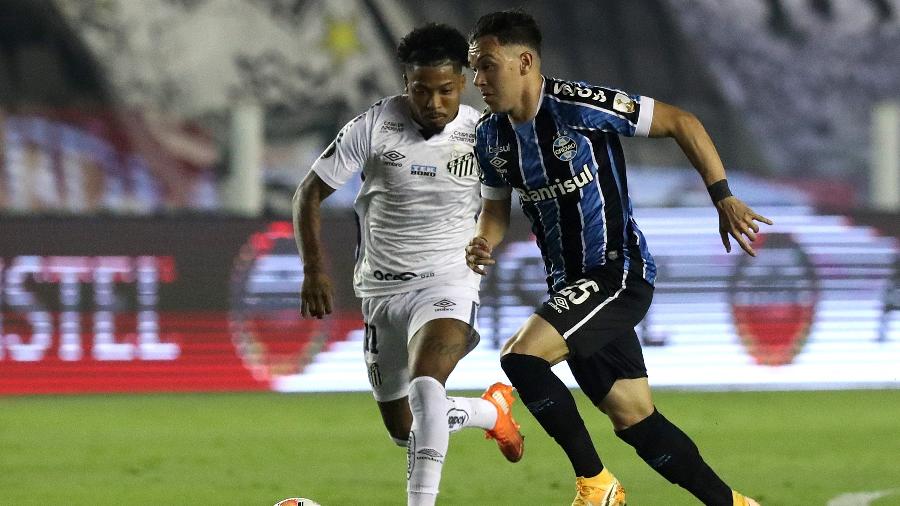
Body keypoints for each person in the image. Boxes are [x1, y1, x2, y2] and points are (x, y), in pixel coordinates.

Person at [465, 10, 769, 506]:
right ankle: (731, 503)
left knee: (520, 357)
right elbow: (495, 210)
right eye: (474, 69)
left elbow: (681, 121)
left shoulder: (578, 104)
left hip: (616, 271)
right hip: (570, 287)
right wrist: (485, 239)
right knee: (635, 418)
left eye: (486, 66)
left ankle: (596, 484)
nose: (477, 80)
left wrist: (723, 196)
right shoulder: (490, 137)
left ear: (524, 61)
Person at [293, 23, 524, 506]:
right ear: (406, 84)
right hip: (380, 292)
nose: (434, 102)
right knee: (407, 430)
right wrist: (314, 268)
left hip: (448, 282)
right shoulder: (373, 126)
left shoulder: (484, 132)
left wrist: (484, 239)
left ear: (462, 82)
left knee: (426, 387)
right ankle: (488, 412)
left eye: (444, 90)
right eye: (421, 90)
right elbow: (308, 194)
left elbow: (497, 206)